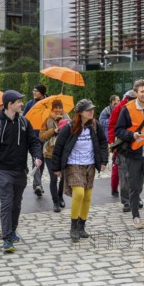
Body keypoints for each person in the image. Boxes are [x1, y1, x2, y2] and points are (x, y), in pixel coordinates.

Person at [0, 90, 43, 253]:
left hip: (20, 172)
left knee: (16, 205)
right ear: (10, 104)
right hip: (2, 172)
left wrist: (37, 156)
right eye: (18, 102)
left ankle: (13, 230)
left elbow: (34, 142)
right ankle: (7, 238)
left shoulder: (24, 123)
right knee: (7, 204)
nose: (21, 104)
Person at [51, 99, 108, 242]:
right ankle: (73, 226)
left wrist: (103, 161)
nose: (91, 112)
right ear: (80, 113)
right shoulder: (69, 127)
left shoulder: (95, 126)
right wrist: (56, 168)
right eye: (88, 110)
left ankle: (82, 226)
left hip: (90, 164)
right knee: (79, 193)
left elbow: (103, 143)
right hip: (73, 164)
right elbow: (58, 148)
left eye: (92, 109)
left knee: (88, 196)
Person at [115, 79, 144, 232]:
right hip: (133, 155)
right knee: (134, 188)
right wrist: (132, 135)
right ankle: (135, 215)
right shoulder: (126, 109)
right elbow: (118, 130)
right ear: (136, 93)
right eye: (142, 91)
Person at [108, 90, 142, 213]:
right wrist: (112, 141)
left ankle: (136, 198)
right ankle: (126, 201)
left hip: (139, 145)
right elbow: (112, 125)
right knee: (124, 175)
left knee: (138, 176)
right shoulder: (120, 108)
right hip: (123, 145)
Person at [39, 99, 70, 213]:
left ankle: (60, 196)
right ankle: (55, 202)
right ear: (52, 109)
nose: (58, 110)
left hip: (63, 152)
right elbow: (41, 137)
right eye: (55, 108)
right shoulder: (47, 121)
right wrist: (54, 131)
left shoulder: (67, 118)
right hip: (50, 153)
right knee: (53, 178)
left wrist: (64, 127)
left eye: (59, 107)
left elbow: (73, 132)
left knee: (63, 177)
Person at [23, 84, 48, 197]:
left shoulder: (48, 103)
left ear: (42, 93)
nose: (34, 92)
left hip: (47, 136)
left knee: (41, 162)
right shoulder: (30, 104)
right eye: (33, 90)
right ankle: (38, 184)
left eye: (36, 91)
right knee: (37, 159)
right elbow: (24, 118)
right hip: (34, 137)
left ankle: (36, 183)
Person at [99, 94, 120, 197]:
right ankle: (106, 162)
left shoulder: (121, 109)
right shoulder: (106, 111)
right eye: (116, 101)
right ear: (112, 102)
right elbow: (101, 122)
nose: (118, 102)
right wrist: (112, 120)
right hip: (109, 137)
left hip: (119, 138)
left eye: (119, 100)